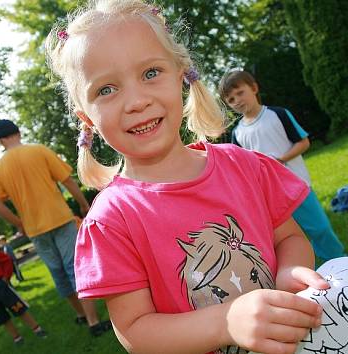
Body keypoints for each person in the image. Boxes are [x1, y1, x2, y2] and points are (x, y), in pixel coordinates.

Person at [44, 1, 328, 353]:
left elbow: (290, 239)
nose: (136, 101)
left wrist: (289, 273)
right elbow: (135, 331)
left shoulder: (244, 166)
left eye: (150, 73)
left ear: (181, 74)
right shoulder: (110, 221)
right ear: (86, 118)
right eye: (106, 90)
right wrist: (226, 322)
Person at [0, 119, 112, 336]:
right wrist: (83, 203)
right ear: (18, 132)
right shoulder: (38, 150)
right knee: (74, 269)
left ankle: (81, 314)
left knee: (58, 274)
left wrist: (20, 223)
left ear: (0, 141)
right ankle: (94, 322)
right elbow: (67, 180)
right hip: (61, 219)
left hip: (35, 229)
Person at [219, 70, 347, 263]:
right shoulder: (237, 134)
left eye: (240, 93)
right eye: (230, 99)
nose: (236, 100)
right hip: (269, 197)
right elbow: (241, 168)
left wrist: (279, 160)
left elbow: (303, 142)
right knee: (287, 240)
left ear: (254, 88)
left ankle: (340, 262)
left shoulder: (278, 114)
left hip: (296, 186)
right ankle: (304, 271)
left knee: (320, 228)